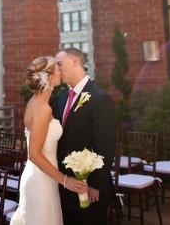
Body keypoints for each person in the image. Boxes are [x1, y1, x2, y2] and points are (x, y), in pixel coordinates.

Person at [11, 56, 87, 225]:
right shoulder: (42, 108)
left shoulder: (37, 102)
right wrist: (65, 180)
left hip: (45, 178)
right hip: (40, 182)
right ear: (50, 77)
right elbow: (34, 154)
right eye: (57, 67)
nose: (61, 69)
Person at [54, 48, 116, 225]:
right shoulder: (61, 98)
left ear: (75, 62)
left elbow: (105, 145)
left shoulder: (100, 98)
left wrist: (96, 184)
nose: (57, 70)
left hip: (90, 188)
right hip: (65, 185)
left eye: (60, 64)